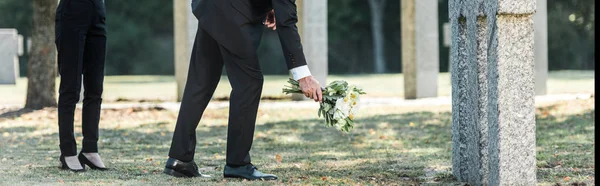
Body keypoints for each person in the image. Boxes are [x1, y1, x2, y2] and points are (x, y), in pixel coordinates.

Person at [163, 0, 322, 180]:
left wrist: (268, 6)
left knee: (200, 81)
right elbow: (286, 23)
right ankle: (237, 164)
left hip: (211, 7)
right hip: (230, 12)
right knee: (249, 83)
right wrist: (303, 75)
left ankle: (179, 159)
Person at [55, 0, 108, 171]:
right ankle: (67, 152)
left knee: (95, 89)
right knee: (70, 89)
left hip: (98, 14)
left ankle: (90, 149)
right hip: (71, 14)